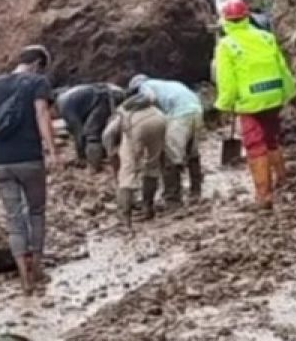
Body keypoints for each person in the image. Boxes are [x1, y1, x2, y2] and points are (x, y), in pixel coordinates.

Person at [0, 46, 58, 294]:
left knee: (14, 220)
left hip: (2, 162)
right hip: (30, 159)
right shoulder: (38, 82)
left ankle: (24, 279)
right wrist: (52, 151)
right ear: (37, 64)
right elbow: (41, 114)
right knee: (36, 212)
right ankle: (37, 268)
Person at [214, 0, 296, 209]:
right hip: (274, 94)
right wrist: (291, 93)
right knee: (272, 138)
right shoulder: (266, 37)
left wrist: (224, 105)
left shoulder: (226, 45)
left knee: (254, 145)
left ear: (225, 20)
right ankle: (281, 179)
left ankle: (264, 196)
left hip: (251, 101)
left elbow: (227, 81)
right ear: (246, 16)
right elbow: (283, 68)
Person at [127, 74, 204, 208]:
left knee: (170, 154)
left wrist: (129, 107)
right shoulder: (169, 84)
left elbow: (148, 98)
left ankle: (172, 199)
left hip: (180, 114)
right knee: (192, 151)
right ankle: (196, 191)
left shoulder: (145, 87)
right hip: (197, 110)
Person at [102, 94, 167, 228]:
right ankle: (148, 208)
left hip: (137, 125)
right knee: (152, 164)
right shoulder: (140, 106)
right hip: (159, 119)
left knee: (127, 171)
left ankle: (124, 218)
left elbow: (107, 136)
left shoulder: (117, 118)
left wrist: (112, 155)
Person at [56, 82, 124, 170]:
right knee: (95, 128)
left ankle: (94, 166)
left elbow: (78, 133)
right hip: (105, 93)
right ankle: (102, 155)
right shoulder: (64, 99)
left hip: (103, 98)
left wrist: (81, 156)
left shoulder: (64, 108)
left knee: (91, 133)